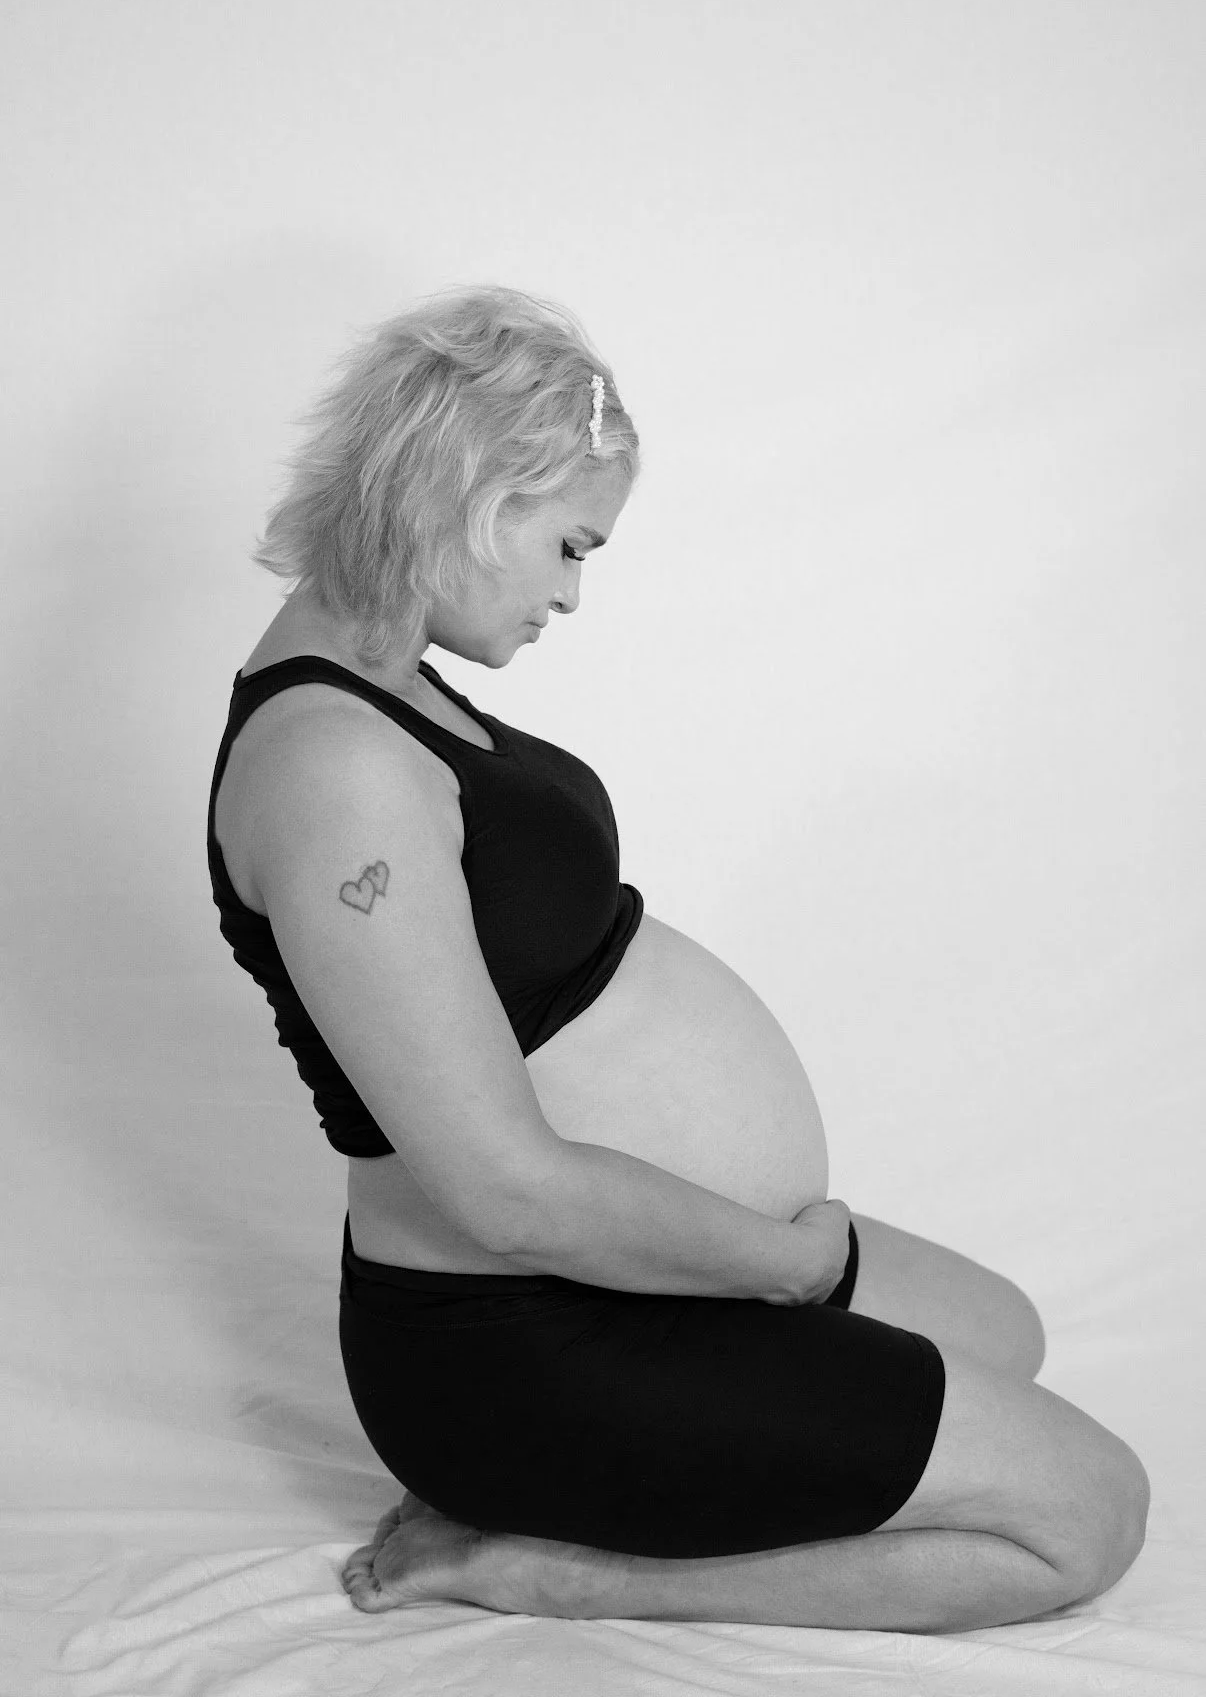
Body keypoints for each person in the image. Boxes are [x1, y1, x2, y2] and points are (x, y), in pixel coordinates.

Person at [206, 284, 1149, 1633]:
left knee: (1003, 1338)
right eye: (569, 546)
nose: (573, 595)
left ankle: (693, 1431)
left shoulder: (389, 688)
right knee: (1086, 1512)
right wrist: (785, 1267)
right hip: (517, 1341)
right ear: (483, 495)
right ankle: (558, 1569)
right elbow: (505, 1194)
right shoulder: (329, 768)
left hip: (602, 1285)